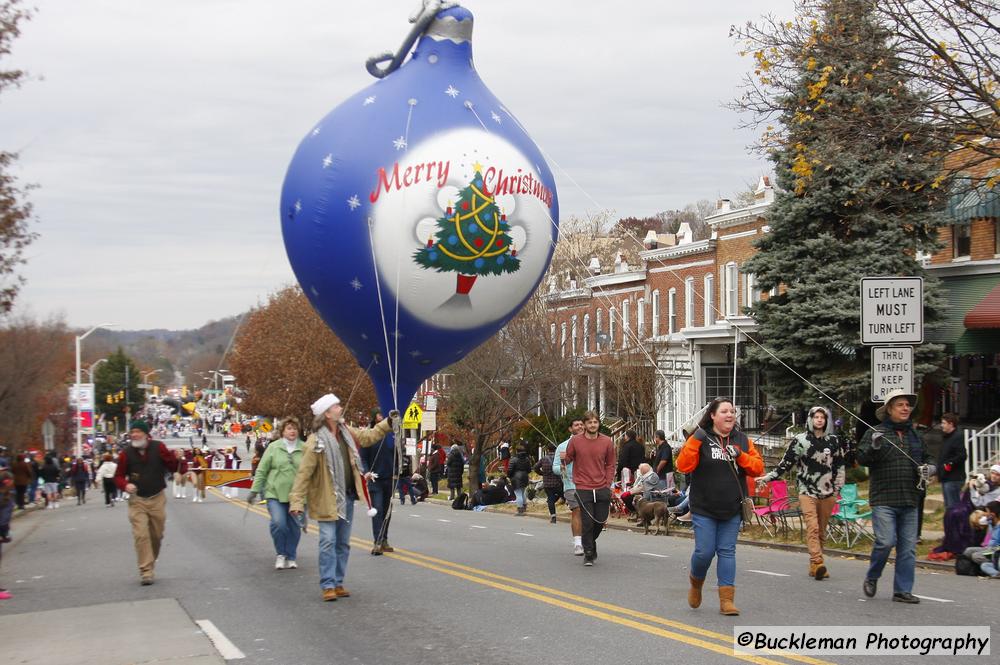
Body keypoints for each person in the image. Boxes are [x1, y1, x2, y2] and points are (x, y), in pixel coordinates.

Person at [289, 394, 397, 602]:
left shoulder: (347, 432)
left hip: (346, 497)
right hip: (325, 499)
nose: (340, 408)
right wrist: (296, 501)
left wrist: (388, 423)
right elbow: (304, 473)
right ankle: (328, 584)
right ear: (327, 413)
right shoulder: (315, 441)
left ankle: (338, 582)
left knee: (343, 543)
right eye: (336, 406)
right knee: (328, 540)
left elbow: (368, 437)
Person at [676, 397, 764, 616]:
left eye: (732, 411)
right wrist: (695, 440)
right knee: (704, 552)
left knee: (727, 551)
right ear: (713, 416)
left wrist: (741, 455)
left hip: (732, 508)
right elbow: (683, 466)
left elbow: (758, 468)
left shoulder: (742, 440)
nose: (730, 415)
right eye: (724, 411)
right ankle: (696, 583)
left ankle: (727, 600)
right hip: (704, 507)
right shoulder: (702, 438)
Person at [856, 388, 934, 604]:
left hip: (911, 499)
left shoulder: (915, 435)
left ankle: (902, 590)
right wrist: (873, 446)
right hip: (884, 499)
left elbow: (930, 458)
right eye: (900, 404)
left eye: (908, 405)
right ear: (889, 409)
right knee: (885, 541)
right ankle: (872, 576)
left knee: (908, 549)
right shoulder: (876, 432)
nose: (906, 408)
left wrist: (931, 469)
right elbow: (861, 459)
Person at [757, 406, 846, 580]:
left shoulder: (833, 441)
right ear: (810, 420)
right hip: (807, 491)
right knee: (812, 527)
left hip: (828, 492)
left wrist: (837, 489)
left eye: (822, 417)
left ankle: (814, 566)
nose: (819, 420)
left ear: (826, 421)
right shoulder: (801, 440)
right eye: (816, 417)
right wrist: (768, 478)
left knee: (821, 530)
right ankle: (818, 561)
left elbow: (839, 466)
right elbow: (786, 463)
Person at [114, 420, 178, 585]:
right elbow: (118, 476)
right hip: (137, 500)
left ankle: (150, 560)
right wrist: (124, 484)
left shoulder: (159, 447)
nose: (134, 435)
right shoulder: (126, 453)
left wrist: (177, 462)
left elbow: (172, 465)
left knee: (156, 535)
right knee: (141, 535)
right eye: (132, 432)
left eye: (137, 432)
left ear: (146, 434)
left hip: (157, 497)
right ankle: (146, 571)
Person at [248, 416, 305, 570]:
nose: (292, 431)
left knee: (294, 527)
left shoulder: (305, 448)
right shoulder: (274, 447)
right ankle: (281, 554)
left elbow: (311, 472)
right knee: (279, 523)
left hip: (296, 495)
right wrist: (254, 490)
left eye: (294, 428)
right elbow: (261, 470)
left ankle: (291, 555)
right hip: (274, 493)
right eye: (289, 428)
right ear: (282, 431)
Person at [564, 410, 615, 567]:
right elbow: (568, 458)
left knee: (599, 521)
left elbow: (611, 464)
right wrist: (564, 458)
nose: (593, 425)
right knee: (587, 521)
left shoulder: (607, 442)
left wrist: (607, 483)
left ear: (598, 424)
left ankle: (590, 542)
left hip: (602, 486)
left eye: (595, 422)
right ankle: (588, 553)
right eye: (589, 422)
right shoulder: (575, 441)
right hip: (583, 486)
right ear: (584, 425)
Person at [360, 408, 397, 556]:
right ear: (374, 417)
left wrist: (397, 471)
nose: (382, 417)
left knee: (387, 511)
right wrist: (366, 471)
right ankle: (377, 542)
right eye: (380, 414)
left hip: (389, 478)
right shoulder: (369, 436)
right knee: (378, 510)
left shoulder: (391, 436)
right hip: (375, 479)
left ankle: (384, 539)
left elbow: (397, 455)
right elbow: (363, 457)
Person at [553, 417, 585, 555]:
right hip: (571, 484)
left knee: (590, 514)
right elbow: (555, 467)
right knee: (577, 510)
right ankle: (578, 544)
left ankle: (588, 541)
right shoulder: (562, 446)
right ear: (570, 429)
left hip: (591, 484)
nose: (580, 427)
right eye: (576, 425)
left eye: (581, 424)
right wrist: (562, 468)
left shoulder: (592, 443)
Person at [936, 413, 966, 511]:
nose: (941, 425)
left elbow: (962, 455)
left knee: (954, 508)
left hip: (954, 478)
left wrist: (948, 465)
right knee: (948, 507)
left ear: (951, 424)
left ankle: (955, 526)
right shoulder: (946, 437)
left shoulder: (957, 436)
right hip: (946, 477)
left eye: (944, 423)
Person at [962, 501, 1000, 578]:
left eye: (987, 512)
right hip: (988, 548)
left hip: (995, 551)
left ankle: (995, 567)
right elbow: (978, 522)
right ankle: (995, 570)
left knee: (976, 556)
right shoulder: (990, 522)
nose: (985, 514)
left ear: (992, 514)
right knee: (968, 551)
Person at [533, 444, 563, 523]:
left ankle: (553, 517)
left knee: (550, 499)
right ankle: (572, 509)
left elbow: (535, 467)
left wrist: (542, 473)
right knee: (564, 495)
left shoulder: (543, 459)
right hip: (558, 482)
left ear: (547, 450)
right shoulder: (559, 458)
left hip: (547, 483)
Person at [508, 448, 532, 515]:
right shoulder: (527, 459)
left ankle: (520, 509)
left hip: (516, 477)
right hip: (525, 476)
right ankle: (524, 507)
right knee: (522, 492)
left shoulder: (513, 459)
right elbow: (529, 469)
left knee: (518, 494)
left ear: (516, 451)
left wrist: (509, 476)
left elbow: (510, 470)